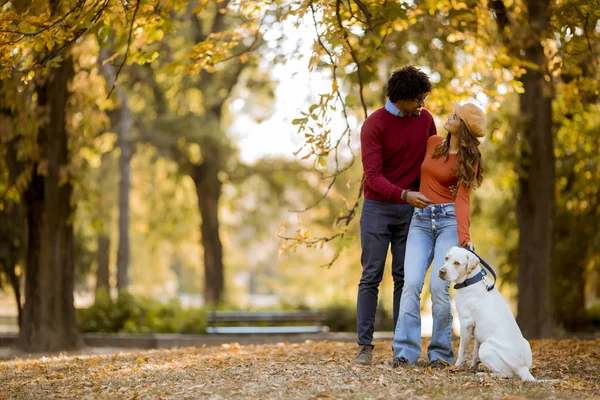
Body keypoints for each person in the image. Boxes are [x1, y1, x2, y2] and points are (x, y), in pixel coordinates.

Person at [391, 102, 486, 369]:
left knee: (439, 286)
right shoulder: (433, 142)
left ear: (463, 128)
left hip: (447, 222)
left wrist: (464, 236)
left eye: (455, 116)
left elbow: (464, 199)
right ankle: (405, 352)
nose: (449, 116)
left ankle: (440, 354)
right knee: (410, 283)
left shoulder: (470, 159)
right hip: (421, 220)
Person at [354, 65, 437, 366]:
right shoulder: (373, 125)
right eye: (417, 99)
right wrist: (403, 194)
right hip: (378, 208)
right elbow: (372, 176)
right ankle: (364, 347)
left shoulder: (426, 120)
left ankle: (402, 349)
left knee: (405, 279)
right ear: (401, 98)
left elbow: (432, 162)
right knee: (371, 276)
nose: (422, 106)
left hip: (412, 211)